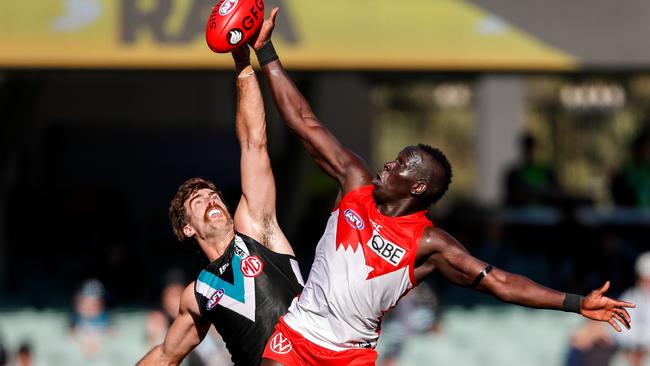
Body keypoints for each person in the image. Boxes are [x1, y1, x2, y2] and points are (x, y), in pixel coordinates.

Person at [250, 9, 636, 365]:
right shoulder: (354, 181)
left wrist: (575, 303)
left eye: (401, 163)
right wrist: (265, 50)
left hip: (351, 355)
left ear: (418, 187)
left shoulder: (430, 243)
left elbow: (500, 282)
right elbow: (304, 122)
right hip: (298, 333)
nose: (388, 164)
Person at [137, 44, 304, 366]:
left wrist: (242, 64)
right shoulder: (197, 293)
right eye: (198, 201)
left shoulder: (257, 229)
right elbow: (166, 356)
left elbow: (254, 142)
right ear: (188, 228)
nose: (210, 199)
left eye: (213, 194)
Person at [613, 251, 650, 366]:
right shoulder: (629, 297)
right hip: (628, 352)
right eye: (645, 279)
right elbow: (618, 330)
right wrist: (634, 350)